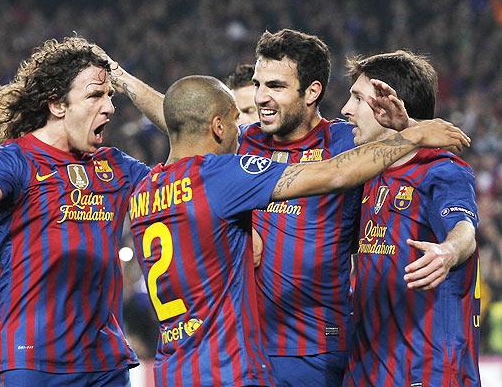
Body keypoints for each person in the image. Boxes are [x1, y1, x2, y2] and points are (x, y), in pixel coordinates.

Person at [127, 74, 469, 386]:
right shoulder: (221, 175)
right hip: (228, 371)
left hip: (172, 370)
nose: (243, 133)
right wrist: (414, 135)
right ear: (218, 127)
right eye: (236, 122)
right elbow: (333, 173)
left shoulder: (144, 190)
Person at [112, 28, 364, 385]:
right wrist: (123, 79)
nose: (261, 96)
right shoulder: (242, 144)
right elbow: (183, 119)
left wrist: (413, 132)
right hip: (243, 352)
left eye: (274, 86)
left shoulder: (345, 143)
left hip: (314, 348)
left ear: (312, 92)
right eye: (258, 84)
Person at [0, 37, 150, 386]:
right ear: (58, 105)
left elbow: (187, 144)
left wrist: (127, 81)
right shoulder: (16, 159)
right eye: (94, 95)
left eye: (110, 96)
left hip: (104, 363)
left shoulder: (115, 166)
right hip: (32, 360)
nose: (109, 107)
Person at [340, 50, 480, 386]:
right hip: (367, 367)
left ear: (389, 104)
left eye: (358, 98)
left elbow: (464, 230)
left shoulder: (443, 172)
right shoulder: (369, 171)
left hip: (425, 370)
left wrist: (447, 252)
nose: (345, 109)